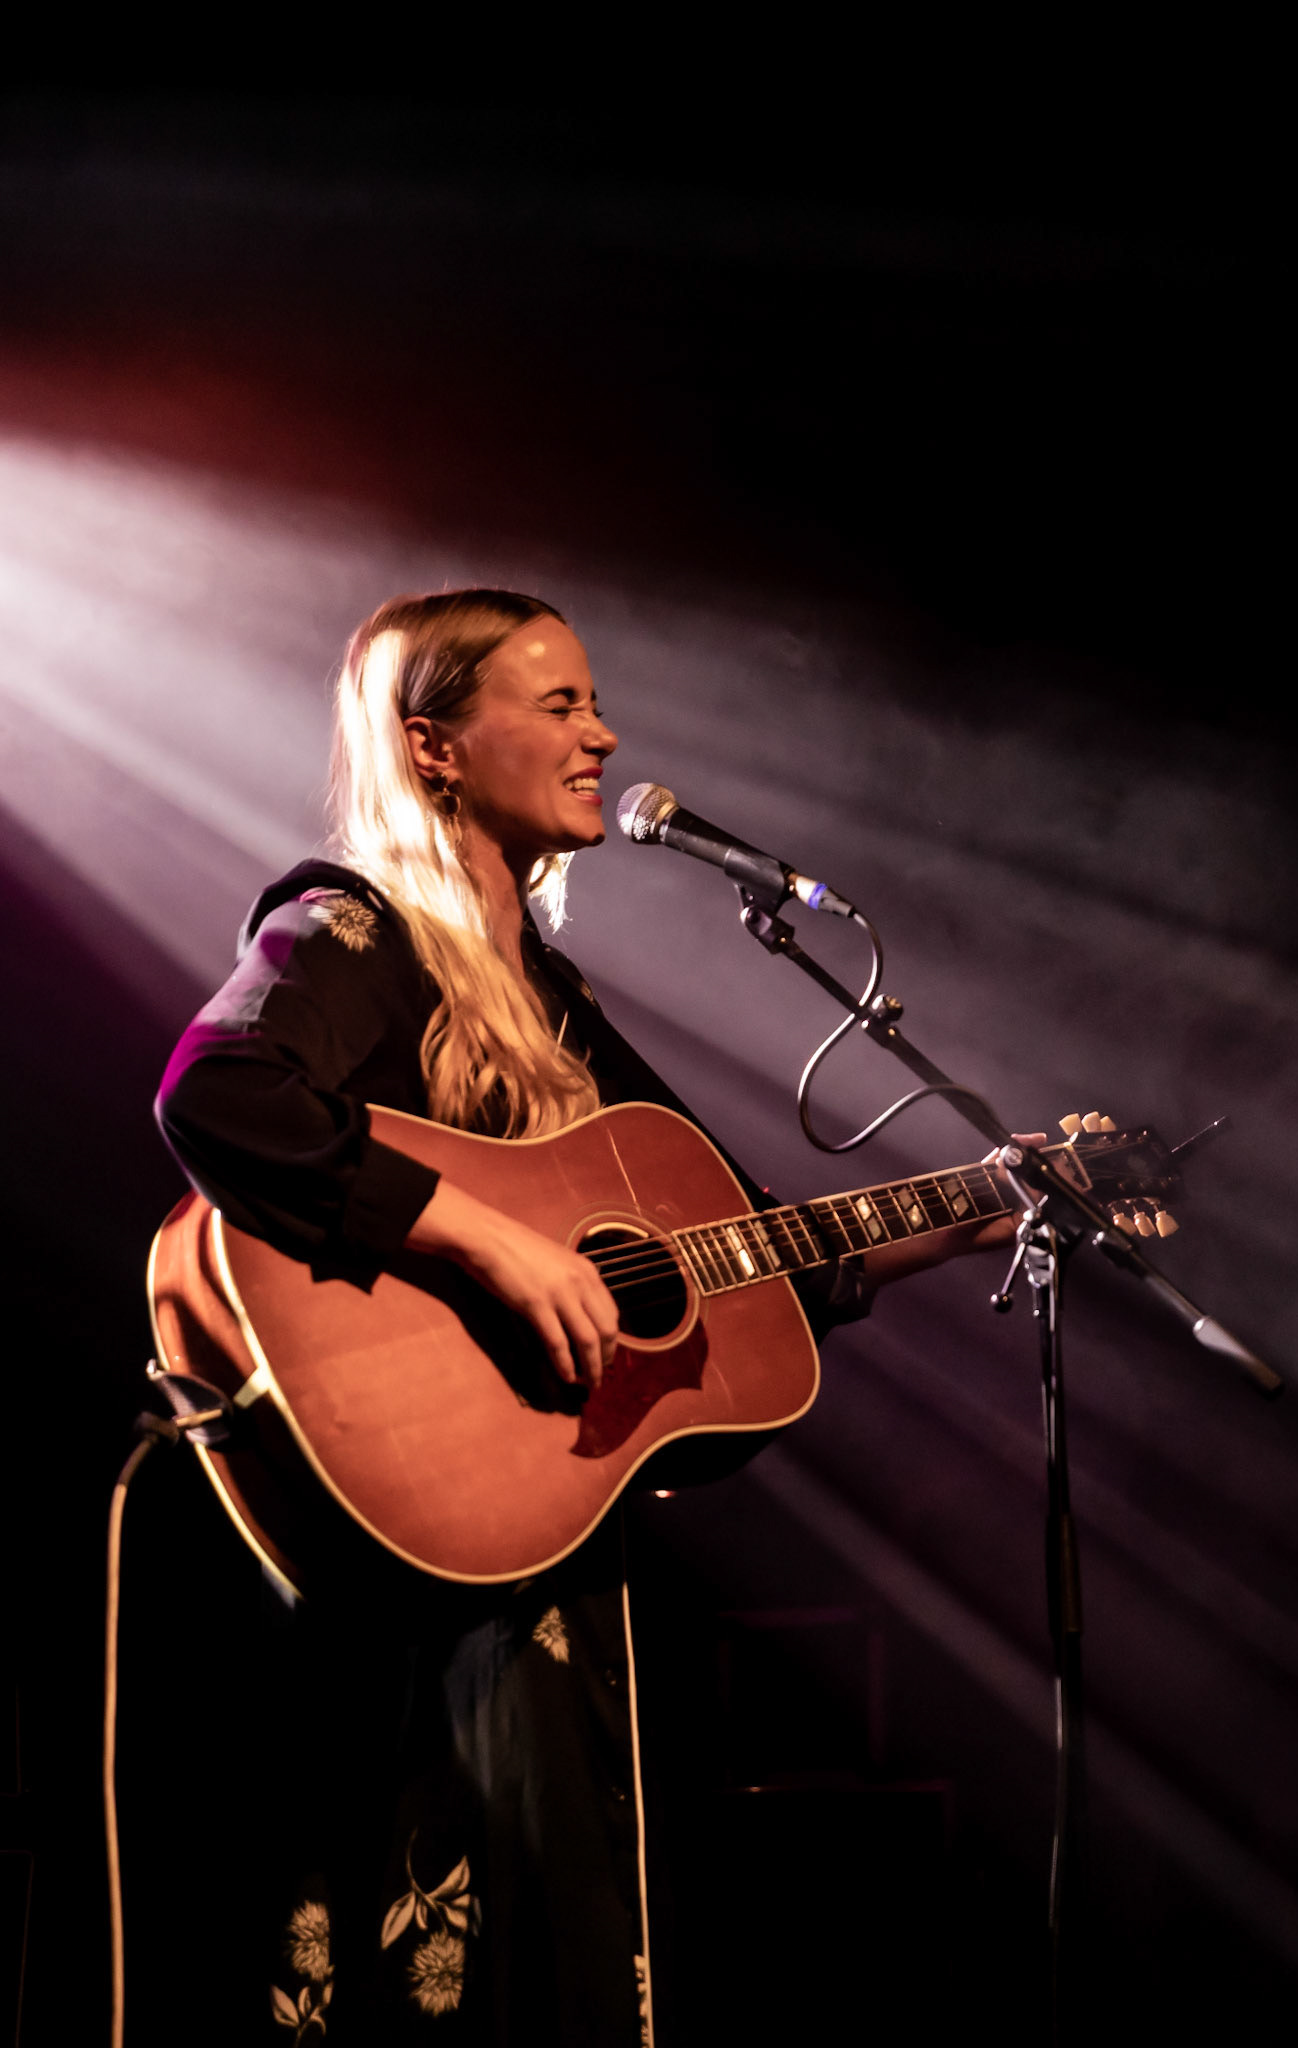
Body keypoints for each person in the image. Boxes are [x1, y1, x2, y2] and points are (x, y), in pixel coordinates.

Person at [155, 590, 1017, 2045]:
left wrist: (979, 1204)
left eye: (592, 704)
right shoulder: (353, 923)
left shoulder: (549, 1000)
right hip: (406, 1541)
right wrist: (484, 1241)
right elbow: (217, 1093)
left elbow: (761, 1259)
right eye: (557, 706)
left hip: (536, 1549)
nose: (602, 735)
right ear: (431, 747)